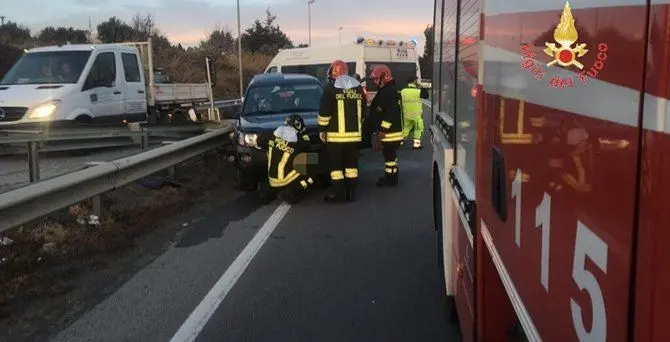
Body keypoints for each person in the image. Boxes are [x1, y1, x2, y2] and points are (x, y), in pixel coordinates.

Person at [318, 59, 365, 202]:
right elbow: (363, 112)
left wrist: (322, 130)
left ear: (333, 72)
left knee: (336, 168)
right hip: (354, 137)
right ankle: (351, 193)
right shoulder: (357, 89)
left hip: (336, 138)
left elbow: (324, 114)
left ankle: (339, 194)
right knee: (352, 167)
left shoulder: (330, 89)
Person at [255, 114, 314, 204]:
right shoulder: (298, 141)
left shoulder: (271, 135)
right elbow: (307, 144)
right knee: (310, 173)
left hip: (272, 179)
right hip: (286, 180)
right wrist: (304, 132)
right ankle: (291, 192)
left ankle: (267, 190)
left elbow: (259, 142)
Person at [368, 64, 403, 187]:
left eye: (376, 79)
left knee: (390, 157)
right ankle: (390, 176)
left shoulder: (389, 92)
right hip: (388, 132)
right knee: (389, 156)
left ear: (384, 77)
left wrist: (383, 129)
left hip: (390, 133)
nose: (375, 81)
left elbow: (390, 113)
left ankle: (391, 179)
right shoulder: (386, 91)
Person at [401, 76, 430, 149]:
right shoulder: (418, 91)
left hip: (406, 114)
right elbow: (426, 96)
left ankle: (399, 142)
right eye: (417, 81)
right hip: (416, 115)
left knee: (406, 128)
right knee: (418, 129)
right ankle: (416, 145)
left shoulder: (403, 91)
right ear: (414, 82)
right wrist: (422, 86)